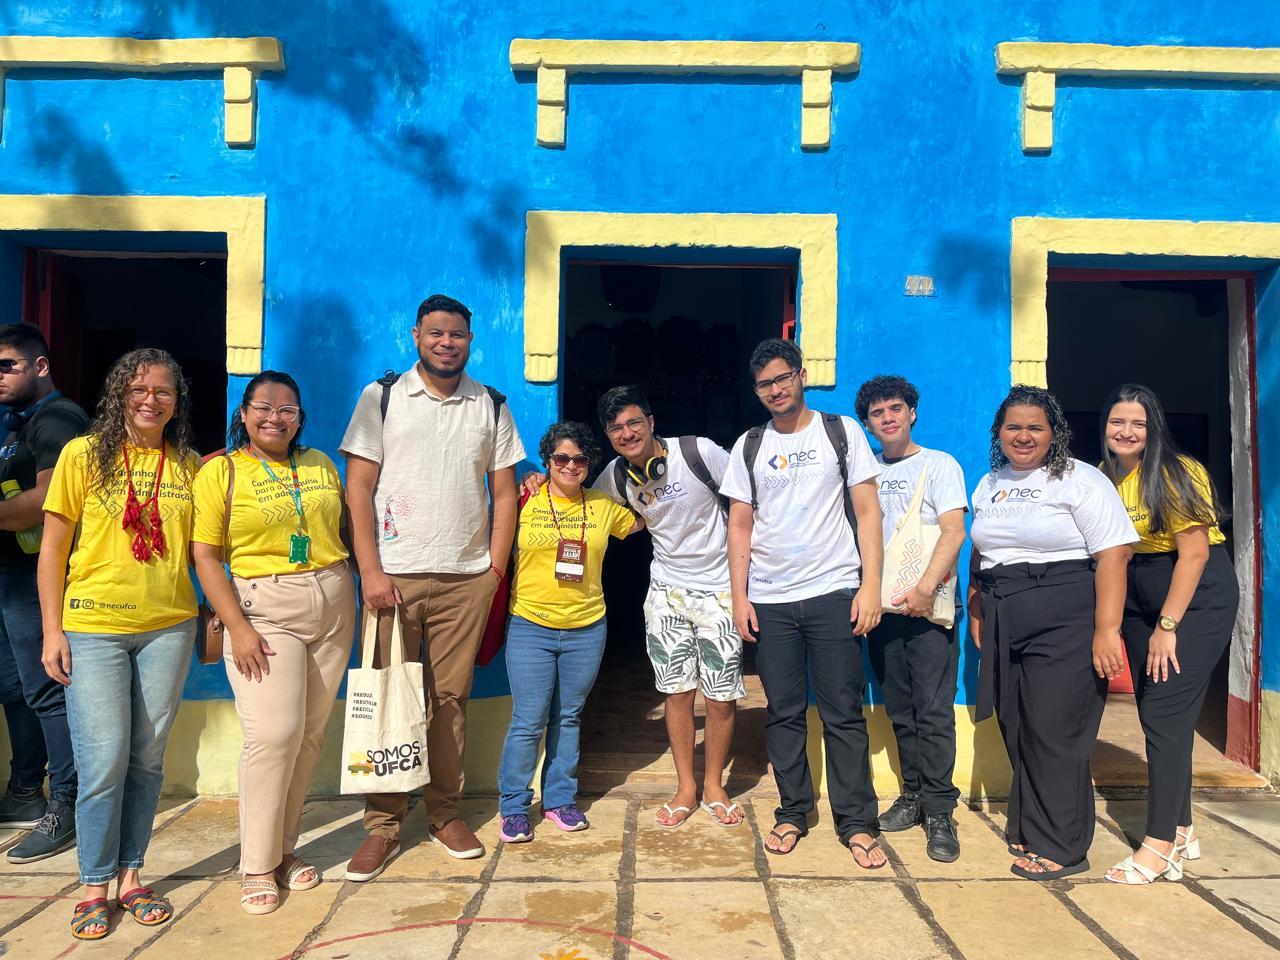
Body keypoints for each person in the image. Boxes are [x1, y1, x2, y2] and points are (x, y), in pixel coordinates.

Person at [340, 293, 523, 880]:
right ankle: (382, 825)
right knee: (386, 697)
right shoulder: (383, 398)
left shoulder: (490, 405)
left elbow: (502, 496)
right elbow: (358, 490)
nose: (448, 344)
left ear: (471, 342)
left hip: (465, 581)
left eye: (458, 336)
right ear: (416, 335)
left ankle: (444, 813)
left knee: (449, 702)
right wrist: (369, 570)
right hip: (390, 579)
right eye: (437, 334)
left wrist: (493, 571)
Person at [522, 384, 745, 828]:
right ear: (608, 437)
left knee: (720, 696)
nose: (627, 434)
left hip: (721, 588)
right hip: (665, 591)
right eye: (616, 428)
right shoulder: (615, 478)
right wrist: (540, 480)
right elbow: (576, 490)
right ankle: (686, 787)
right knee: (676, 694)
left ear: (651, 422)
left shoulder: (698, 452)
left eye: (634, 423)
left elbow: (744, 502)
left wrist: (747, 584)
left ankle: (715, 785)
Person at [39, 348, 201, 939]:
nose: (151, 400)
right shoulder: (82, 455)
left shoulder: (188, 464)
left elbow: (206, 549)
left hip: (169, 625)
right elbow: (53, 549)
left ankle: (132, 876)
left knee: (146, 760)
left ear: (177, 401)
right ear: (119, 395)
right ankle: (93, 884)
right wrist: (53, 630)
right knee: (103, 761)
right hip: (94, 626)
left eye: (163, 391)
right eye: (138, 390)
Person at [193, 371, 357, 913]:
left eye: (288, 409)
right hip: (264, 609)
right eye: (263, 407)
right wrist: (236, 625)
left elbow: (344, 530)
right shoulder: (221, 472)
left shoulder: (318, 464)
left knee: (309, 734)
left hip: (333, 599)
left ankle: (285, 852)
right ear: (243, 414)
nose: (275, 417)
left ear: (300, 418)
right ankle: (257, 865)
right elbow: (206, 556)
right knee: (273, 734)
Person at [720, 338, 887, 868]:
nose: (776, 390)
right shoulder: (749, 445)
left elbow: (868, 514)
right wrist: (739, 598)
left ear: (801, 375)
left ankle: (857, 823)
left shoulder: (841, 432)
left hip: (834, 591)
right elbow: (739, 527)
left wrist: (870, 586)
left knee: (843, 714)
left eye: (782, 378)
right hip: (770, 600)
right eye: (765, 384)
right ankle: (793, 812)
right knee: (783, 714)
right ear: (757, 391)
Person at [968, 384, 1136, 881]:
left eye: (1035, 427)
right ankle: (1032, 824)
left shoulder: (1079, 479)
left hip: (1064, 611)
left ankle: (1063, 845)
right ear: (999, 432)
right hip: (1004, 610)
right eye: (1013, 426)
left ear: (1054, 432)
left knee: (1053, 729)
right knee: (1017, 724)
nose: (1024, 436)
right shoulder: (990, 482)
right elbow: (983, 550)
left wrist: (1106, 630)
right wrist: (979, 605)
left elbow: (1113, 555)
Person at [1099, 384, 1238, 884]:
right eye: (1118, 422)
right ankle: (1182, 828)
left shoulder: (1178, 471)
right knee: (1157, 712)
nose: (1127, 431)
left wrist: (1168, 626)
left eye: (1138, 423)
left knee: (1164, 715)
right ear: (1106, 426)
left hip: (1194, 598)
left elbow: (1195, 554)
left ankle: (1159, 847)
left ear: (1153, 427)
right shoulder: (1103, 476)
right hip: (1138, 595)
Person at [497, 422, 640, 842]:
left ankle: (559, 800)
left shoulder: (601, 505)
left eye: (580, 459)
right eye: (561, 458)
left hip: (586, 628)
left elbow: (643, 522)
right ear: (547, 461)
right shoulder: (525, 499)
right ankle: (514, 807)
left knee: (569, 717)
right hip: (530, 626)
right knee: (528, 721)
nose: (571, 465)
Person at [856, 375, 967, 862]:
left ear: (912, 412)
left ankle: (941, 810)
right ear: (867, 423)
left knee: (934, 710)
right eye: (878, 413)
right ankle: (914, 795)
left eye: (896, 409)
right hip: (883, 609)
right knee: (900, 709)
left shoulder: (939, 464)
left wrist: (924, 589)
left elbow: (953, 531)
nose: (888, 418)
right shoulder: (865, 472)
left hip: (929, 607)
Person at [0, 324, 87, 863]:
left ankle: (68, 803)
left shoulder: (59, 419)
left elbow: (45, 501)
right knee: (14, 687)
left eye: (7, 364)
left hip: (36, 581)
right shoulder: (16, 423)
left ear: (40, 366)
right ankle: (27, 788)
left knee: (48, 689)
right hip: (9, 576)